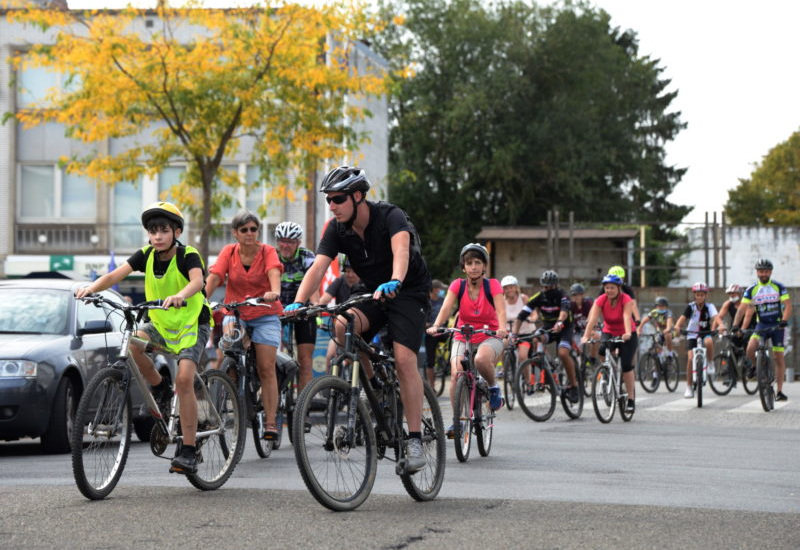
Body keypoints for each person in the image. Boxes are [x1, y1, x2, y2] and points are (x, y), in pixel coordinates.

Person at [283, 166, 431, 473]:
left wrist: (396, 279)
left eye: (338, 199)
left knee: (405, 360)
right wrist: (297, 303)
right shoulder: (336, 230)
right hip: (372, 291)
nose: (332, 206)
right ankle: (375, 384)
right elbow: (318, 268)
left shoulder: (391, 216)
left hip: (408, 291)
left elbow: (401, 250)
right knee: (342, 323)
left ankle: (414, 439)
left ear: (358, 196)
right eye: (329, 201)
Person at [75, 201, 211, 474]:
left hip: (191, 324)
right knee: (133, 342)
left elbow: (198, 281)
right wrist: (90, 289)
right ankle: (160, 387)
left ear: (176, 232)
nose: (157, 236)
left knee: (184, 380)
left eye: (163, 230)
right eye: (152, 231)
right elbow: (116, 274)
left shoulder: (188, 255)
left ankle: (187, 448)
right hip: (160, 322)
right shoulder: (146, 255)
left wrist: (180, 295)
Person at [204, 209, 284, 440]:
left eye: (253, 229)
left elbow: (273, 272)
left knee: (266, 367)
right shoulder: (228, 252)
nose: (249, 233)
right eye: (244, 230)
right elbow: (216, 277)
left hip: (265, 313)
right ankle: (232, 386)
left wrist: (274, 292)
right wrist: (201, 301)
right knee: (228, 344)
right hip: (236, 311)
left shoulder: (267, 251)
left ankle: (270, 422)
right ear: (235, 233)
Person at [427, 244, 508, 436]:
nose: (473, 267)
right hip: (463, 334)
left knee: (480, 360)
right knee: (456, 373)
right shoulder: (457, 285)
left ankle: (494, 388)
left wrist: (503, 328)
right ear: (464, 267)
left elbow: (501, 309)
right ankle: (458, 421)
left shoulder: (493, 285)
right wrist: (437, 324)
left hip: (490, 334)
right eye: (469, 263)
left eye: (477, 262)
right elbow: (446, 307)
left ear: (484, 266)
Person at [511, 270, 580, 403]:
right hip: (549, 327)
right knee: (536, 337)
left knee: (563, 353)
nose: (547, 289)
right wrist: (514, 334)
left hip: (564, 327)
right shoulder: (539, 297)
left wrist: (560, 322)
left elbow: (564, 311)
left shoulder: (563, 295)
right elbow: (521, 317)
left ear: (555, 285)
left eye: (550, 286)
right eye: (545, 286)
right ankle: (543, 363)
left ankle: (573, 385)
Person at [734, 259, 792, 401]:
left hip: (777, 326)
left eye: (766, 271)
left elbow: (788, 306)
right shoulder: (752, 288)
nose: (763, 274)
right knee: (750, 349)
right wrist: (735, 325)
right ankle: (755, 366)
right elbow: (742, 309)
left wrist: (784, 320)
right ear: (757, 272)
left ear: (770, 272)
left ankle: (779, 391)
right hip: (762, 326)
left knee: (778, 357)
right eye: (761, 271)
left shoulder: (778, 286)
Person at [581, 274, 637, 413]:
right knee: (601, 351)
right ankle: (607, 370)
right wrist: (586, 335)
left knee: (626, 365)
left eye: (612, 288)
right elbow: (593, 318)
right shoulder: (601, 300)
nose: (609, 290)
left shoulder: (626, 299)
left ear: (619, 288)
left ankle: (630, 400)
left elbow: (626, 316)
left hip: (627, 333)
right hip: (609, 331)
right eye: (606, 288)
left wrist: (628, 333)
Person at [276, 221, 318, 393]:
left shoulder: (307, 257)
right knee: (271, 359)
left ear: (298, 243)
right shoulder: (271, 256)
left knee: (305, 360)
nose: (286, 245)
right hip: (278, 310)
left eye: (291, 242)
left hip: (303, 311)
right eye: (283, 241)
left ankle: (303, 410)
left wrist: (316, 305)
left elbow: (314, 281)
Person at [318, 255, 366, 371]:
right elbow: (324, 299)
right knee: (330, 355)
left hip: (362, 329)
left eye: (353, 271)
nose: (350, 274)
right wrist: (318, 309)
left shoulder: (365, 282)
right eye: (347, 271)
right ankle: (329, 385)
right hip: (341, 330)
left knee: (367, 354)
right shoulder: (339, 281)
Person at [673, 282, 718, 399]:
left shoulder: (710, 307)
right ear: (695, 295)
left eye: (702, 295)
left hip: (705, 333)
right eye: (698, 294)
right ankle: (688, 386)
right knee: (690, 359)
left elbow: (716, 318)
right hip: (692, 335)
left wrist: (721, 326)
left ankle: (711, 362)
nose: (700, 297)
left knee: (709, 342)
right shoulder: (691, 307)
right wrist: (677, 326)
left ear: (705, 295)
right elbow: (682, 319)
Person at [501, 275, 532, 374]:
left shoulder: (523, 298)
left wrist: (531, 318)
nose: (509, 290)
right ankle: (505, 367)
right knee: (501, 344)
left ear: (516, 287)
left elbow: (533, 313)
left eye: (511, 287)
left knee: (523, 356)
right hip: (509, 333)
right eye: (506, 288)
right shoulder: (501, 301)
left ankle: (528, 382)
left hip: (524, 334)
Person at [423, 279, 448, 387]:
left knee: (454, 337)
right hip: (430, 333)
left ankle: (448, 365)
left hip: (442, 331)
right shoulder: (426, 301)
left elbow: (447, 313)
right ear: (434, 290)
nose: (441, 290)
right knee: (430, 361)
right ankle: (432, 386)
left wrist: (444, 321)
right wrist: (427, 324)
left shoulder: (443, 300)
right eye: (440, 288)